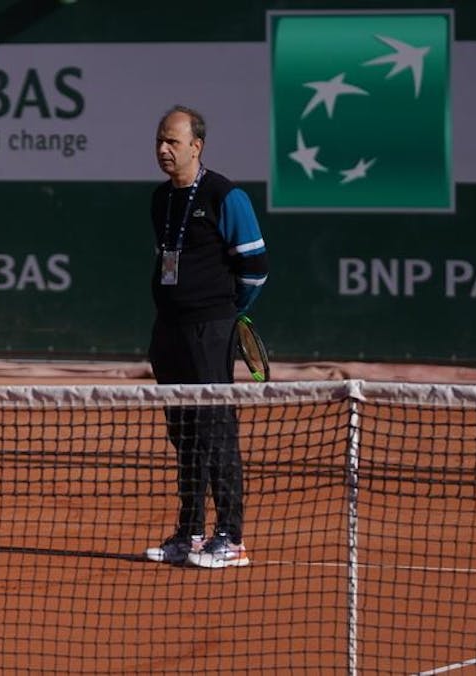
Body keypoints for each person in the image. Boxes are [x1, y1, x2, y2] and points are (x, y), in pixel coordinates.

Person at [143, 105, 268, 569]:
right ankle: (190, 532)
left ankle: (230, 537)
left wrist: (228, 315)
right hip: (169, 331)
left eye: (172, 142)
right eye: (159, 140)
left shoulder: (224, 195)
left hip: (211, 329)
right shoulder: (161, 200)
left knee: (217, 432)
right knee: (184, 434)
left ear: (197, 146)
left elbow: (255, 268)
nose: (163, 149)